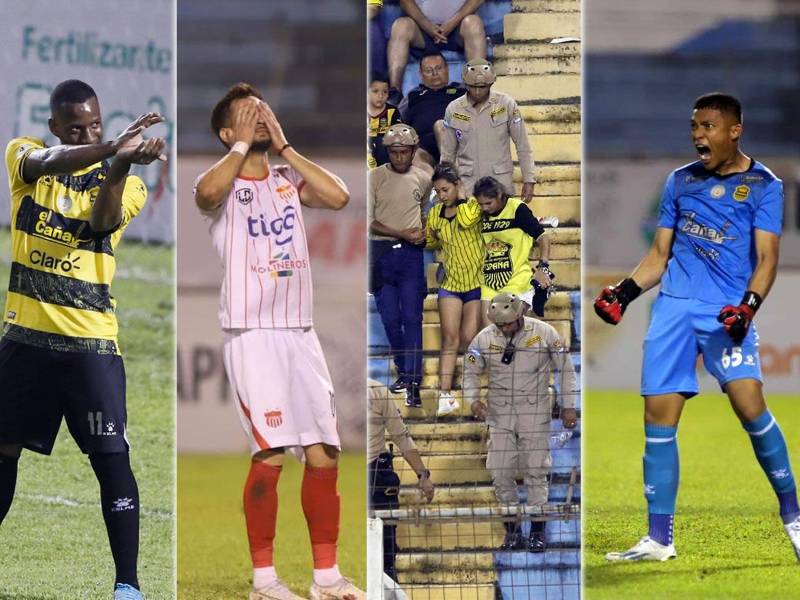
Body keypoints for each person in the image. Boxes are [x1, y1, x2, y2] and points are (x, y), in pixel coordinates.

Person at [594, 92, 800, 562]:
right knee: (658, 419)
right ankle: (659, 539)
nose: (697, 136)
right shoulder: (679, 181)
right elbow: (658, 257)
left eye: (707, 126)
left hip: (725, 311)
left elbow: (768, 260)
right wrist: (624, 294)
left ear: (734, 130)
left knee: (751, 406)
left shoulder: (764, 185)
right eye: (694, 127)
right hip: (673, 310)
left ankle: (794, 516)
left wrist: (747, 308)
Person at [193, 83, 364, 600]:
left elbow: (340, 196)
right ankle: (264, 582)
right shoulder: (221, 187)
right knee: (269, 455)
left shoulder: (289, 180)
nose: (261, 118)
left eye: (264, 110)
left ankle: (327, 579)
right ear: (228, 131)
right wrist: (241, 148)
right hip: (254, 336)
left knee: (325, 455)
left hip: (301, 334)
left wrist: (286, 148)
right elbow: (204, 193)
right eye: (248, 114)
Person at [0, 79, 166, 600]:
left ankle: (127, 585)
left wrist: (117, 163)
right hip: (24, 342)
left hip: (90, 348)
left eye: (95, 125)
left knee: (111, 458)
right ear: (55, 128)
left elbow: (102, 221)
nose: (87, 132)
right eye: (76, 128)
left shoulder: (125, 182)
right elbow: (46, 163)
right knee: (3, 452)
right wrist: (111, 146)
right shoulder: (23, 155)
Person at [463, 293, 578, 553]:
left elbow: (566, 369)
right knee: (500, 472)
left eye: (508, 324)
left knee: (536, 471)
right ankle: (513, 532)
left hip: (534, 411)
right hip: (499, 413)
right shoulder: (483, 338)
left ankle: (538, 532)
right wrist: (473, 401)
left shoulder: (545, 333)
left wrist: (569, 405)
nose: (503, 329)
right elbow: (469, 372)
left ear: (519, 315)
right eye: (499, 325)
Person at [368, 124, 432, 408]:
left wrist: (422, 232)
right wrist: (402, 232)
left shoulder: (423, 178)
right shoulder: (374, 178)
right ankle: (403, 368)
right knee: (390, 317)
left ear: (413, 151)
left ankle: (413, 379)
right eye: (394, 152)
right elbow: (367, 220)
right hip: (381, 252)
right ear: (387, 152)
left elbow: (424, 214)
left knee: (413, 318)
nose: (399, 157)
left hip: (411, 255)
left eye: (404, 152)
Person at [425, 163, 483, 416]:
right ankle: (444, 395)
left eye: (446, 189)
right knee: (450, 340)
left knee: (470, 340)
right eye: (438, 191)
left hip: (475, 283)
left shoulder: (472, 207)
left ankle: (472, 396)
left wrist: (461, 198)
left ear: (457, 185)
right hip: (451, 283)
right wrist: (424, 235)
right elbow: (431, 240)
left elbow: (468, 219)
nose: (442, 195)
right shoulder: (436, 212)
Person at [457, 176, 552, 327]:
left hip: (517, 281)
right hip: (489, 282)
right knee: (490, 335)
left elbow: (542, 237)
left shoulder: (517, 209)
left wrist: (543, 267)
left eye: (488, 203)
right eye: (481, 204)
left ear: (499, 195)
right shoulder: (480, 213)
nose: (485, 208)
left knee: (515, 333)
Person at [368, 379, 435, 580]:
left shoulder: (377, 391)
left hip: (376, 474)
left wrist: (423, 475)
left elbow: (401, 436)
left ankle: (388, 574)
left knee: (385, 554)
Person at [441, 59, 535, 199]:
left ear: (491, 83)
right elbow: (448, 154)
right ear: (465, 84)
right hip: (468, 186)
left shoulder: (506, 104)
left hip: (500, 185)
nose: (477, 91)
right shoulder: (453, 109)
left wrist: (529, 180)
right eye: (473, 87)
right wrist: (445, 185)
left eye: (483, 87)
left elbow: (522, 145)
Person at [387, 0, 487, 102]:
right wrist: (427, 26)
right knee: (401, 25)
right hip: (421, 29)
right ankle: (395, 92)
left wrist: (451, 24)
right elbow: (405, 2)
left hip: (458, 27)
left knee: (473, 22)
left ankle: (478, 86)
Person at [397, 51, 466, 168]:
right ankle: (433, 183)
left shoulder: (461, 91)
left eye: (439, 68)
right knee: (414, 156)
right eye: (429, 71)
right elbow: (397, 122)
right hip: (424, 146)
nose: (435, 74)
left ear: (447, 69)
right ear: (420, 74)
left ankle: (451, 175)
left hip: (457, 141)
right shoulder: (412, 96)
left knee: (441, 126)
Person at [368, 71, 403, 169]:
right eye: (375, 91)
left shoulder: (392, 111)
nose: (380, 96)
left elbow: (398, 133)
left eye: (384, 92)